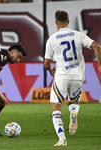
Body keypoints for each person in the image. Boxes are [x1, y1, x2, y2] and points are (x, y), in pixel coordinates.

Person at [44, 10, 101, 146]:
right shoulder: (78, 35)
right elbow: (96, 46)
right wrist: (99, 66)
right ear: (68, 22)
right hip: (77, 76)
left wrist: (50, 69)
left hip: (61, 77)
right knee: (73, 102)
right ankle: (74, 112)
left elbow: (46, 63)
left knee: (56, 107)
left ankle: (62, 138)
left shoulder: (52, 39)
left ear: (56, 22)